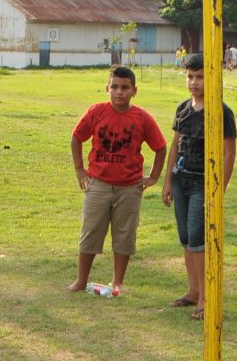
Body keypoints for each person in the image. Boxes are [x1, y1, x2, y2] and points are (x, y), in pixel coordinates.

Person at [67, 66, 167, 294]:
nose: (119, 92)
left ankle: (118, 281)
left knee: (124, 234)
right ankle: (81, 280)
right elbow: (76, 138)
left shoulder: (142, 118)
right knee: (91, 230)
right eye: (114, 87)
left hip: (129, 188)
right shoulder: (96, 111)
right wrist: (80, 170)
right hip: (98, 184)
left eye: (125, 88)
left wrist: (153, 177)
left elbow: (160, 147)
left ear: (134, 91)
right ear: (107, 88)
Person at [161, 55, 236, 319]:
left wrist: (219, 190)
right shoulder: (183, 108)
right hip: (181, 178)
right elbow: (175, 144)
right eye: (191, 76)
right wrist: (168, 180)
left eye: (201, 77)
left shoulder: (221, 111)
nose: (194, 82)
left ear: (212, 78)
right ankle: (193, 291)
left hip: (204, 183)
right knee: (185, 237)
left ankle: (206, 297)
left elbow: (229, 153)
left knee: (198, 238)